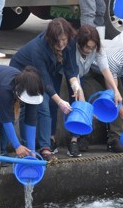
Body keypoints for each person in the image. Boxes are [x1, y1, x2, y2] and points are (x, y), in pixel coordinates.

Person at [10, 18, 84, 161]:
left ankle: (44, 146)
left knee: (48, 105)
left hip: (47, 72)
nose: (62, 44)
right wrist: (60, 101)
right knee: (40, 105)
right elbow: (44, 80)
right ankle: (32, 147)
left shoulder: (70, 41)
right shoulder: (38, 48)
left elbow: (70, 67)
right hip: (22, 71)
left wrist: (76, 85)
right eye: (58, 41)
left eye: (64, 40)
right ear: (50, 38)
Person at [66, 25, 122, 157]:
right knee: (77, 102)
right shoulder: (71, 49)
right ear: (79, 43)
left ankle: (84, 136)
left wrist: (115, 90)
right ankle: (73, 140)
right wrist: (84, 106)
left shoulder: (97, 49)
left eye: (92, 47)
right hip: (70, 76)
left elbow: (105, 69)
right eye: (86, 47)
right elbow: (75, 78)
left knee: (90, 99)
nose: (88, 50)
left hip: (83, 75)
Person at [0, 63, 44, 158]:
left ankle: (1, 151)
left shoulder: (34, 91)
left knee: (10, 116)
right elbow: (6, 119)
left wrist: (32, 151)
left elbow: (31, 120)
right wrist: (17, 146)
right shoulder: (6, 88)